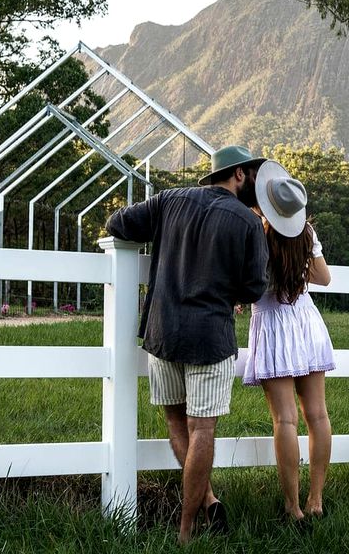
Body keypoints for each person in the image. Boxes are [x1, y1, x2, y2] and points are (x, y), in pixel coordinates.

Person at [106, 144, 269, 544]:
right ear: (239, 175)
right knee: (203, 429)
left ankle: (207, 501)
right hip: (209, 336)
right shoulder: (247, 222)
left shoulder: (168, 201)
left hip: (162, 331)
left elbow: (117, 223)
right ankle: (186, 528)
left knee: (177, 423)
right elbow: (254, 286)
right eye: (248, 172)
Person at [244, 159, 335, 526]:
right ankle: (316, 499)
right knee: (318, 415)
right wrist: (303, 264)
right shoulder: (307, 235)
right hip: (306, 322)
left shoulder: (259, 235)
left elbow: (252, 288)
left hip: (274, 326)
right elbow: (324, 278)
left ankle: (292, 506)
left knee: (285, 420)